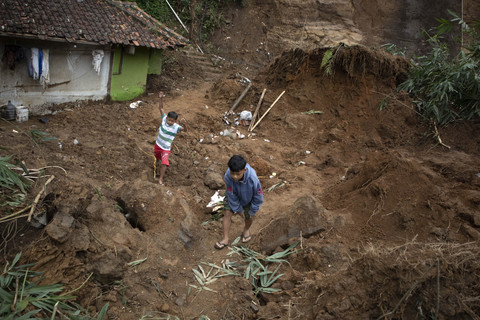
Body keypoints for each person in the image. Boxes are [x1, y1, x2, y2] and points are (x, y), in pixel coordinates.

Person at [215, 155, 263, 250]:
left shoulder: (253, 178)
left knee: (248, 216)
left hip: (249, 197)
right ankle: (225, 239)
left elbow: (258, 196)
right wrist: (239, 210)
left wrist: (253, 210)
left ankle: (246, 230)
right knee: (227, 213)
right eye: (232, 173)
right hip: (234, 195)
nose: (235, 177)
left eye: (238, 174)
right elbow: (231, 193)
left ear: (244, 170)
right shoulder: (228, 176)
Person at [154, 91, 187, 185]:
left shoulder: (176, 127)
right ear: (166, 118)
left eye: (172, 121)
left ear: (175, 121)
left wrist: (185, 124)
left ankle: (160, 179)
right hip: (158, 145)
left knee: (164, 163)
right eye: (169, 120)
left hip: (165, 148)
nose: (169, 122)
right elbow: (160, 107)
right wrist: (161, 98)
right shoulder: (164, 119)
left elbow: (185, 130)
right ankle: (156, 168)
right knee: (157, 158)